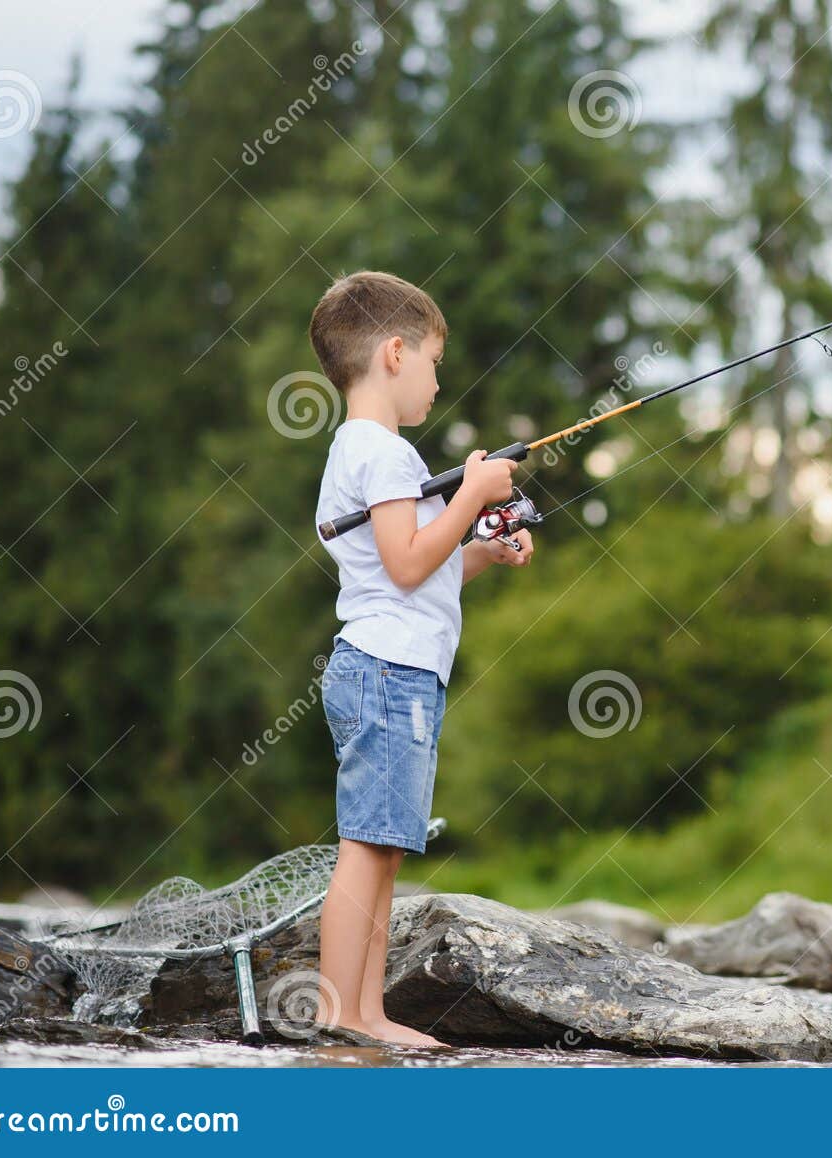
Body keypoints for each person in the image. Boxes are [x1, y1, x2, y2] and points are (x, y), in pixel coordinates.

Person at [308, 270, 533, 1046]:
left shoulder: (365, 452)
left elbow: (415, 570)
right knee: (365, 847)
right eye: (437, 362)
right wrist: (472, 496)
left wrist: (482, 551)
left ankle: (368, 1012)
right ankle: (343, 1015)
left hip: (392, 666)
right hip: (387, 671)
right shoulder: (385, 454)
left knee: (384, 846)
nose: (441, 380)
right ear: (396, 354)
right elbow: (407, 565)